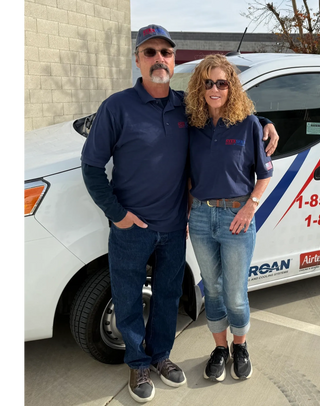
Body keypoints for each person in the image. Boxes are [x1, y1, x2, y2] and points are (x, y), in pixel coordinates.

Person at [81, 25, 278, 403]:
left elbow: (229, 109)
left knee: (169, 296)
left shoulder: (186, 108)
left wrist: (266, 121)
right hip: (131, 227)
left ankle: (161, 357)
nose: (159, 59)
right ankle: (138, 362)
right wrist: (117, 213)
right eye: (150, 52)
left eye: (165, 53)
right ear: (138, 59)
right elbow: (91, 167)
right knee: (127, 296)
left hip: (175, 225)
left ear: (174, 61)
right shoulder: (117, 106)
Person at [186, 54, 273, 382]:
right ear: (200, 86)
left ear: (231, 86)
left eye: (222, 83)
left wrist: (250, 207)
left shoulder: (249, 124)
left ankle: (241, 345)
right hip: (200, 218)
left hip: (236, 218)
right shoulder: (192, 126)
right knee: (212, 290)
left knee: (235, 293)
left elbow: (264, 173)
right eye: (208, 83)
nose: (215, 88)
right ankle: (220, 349)